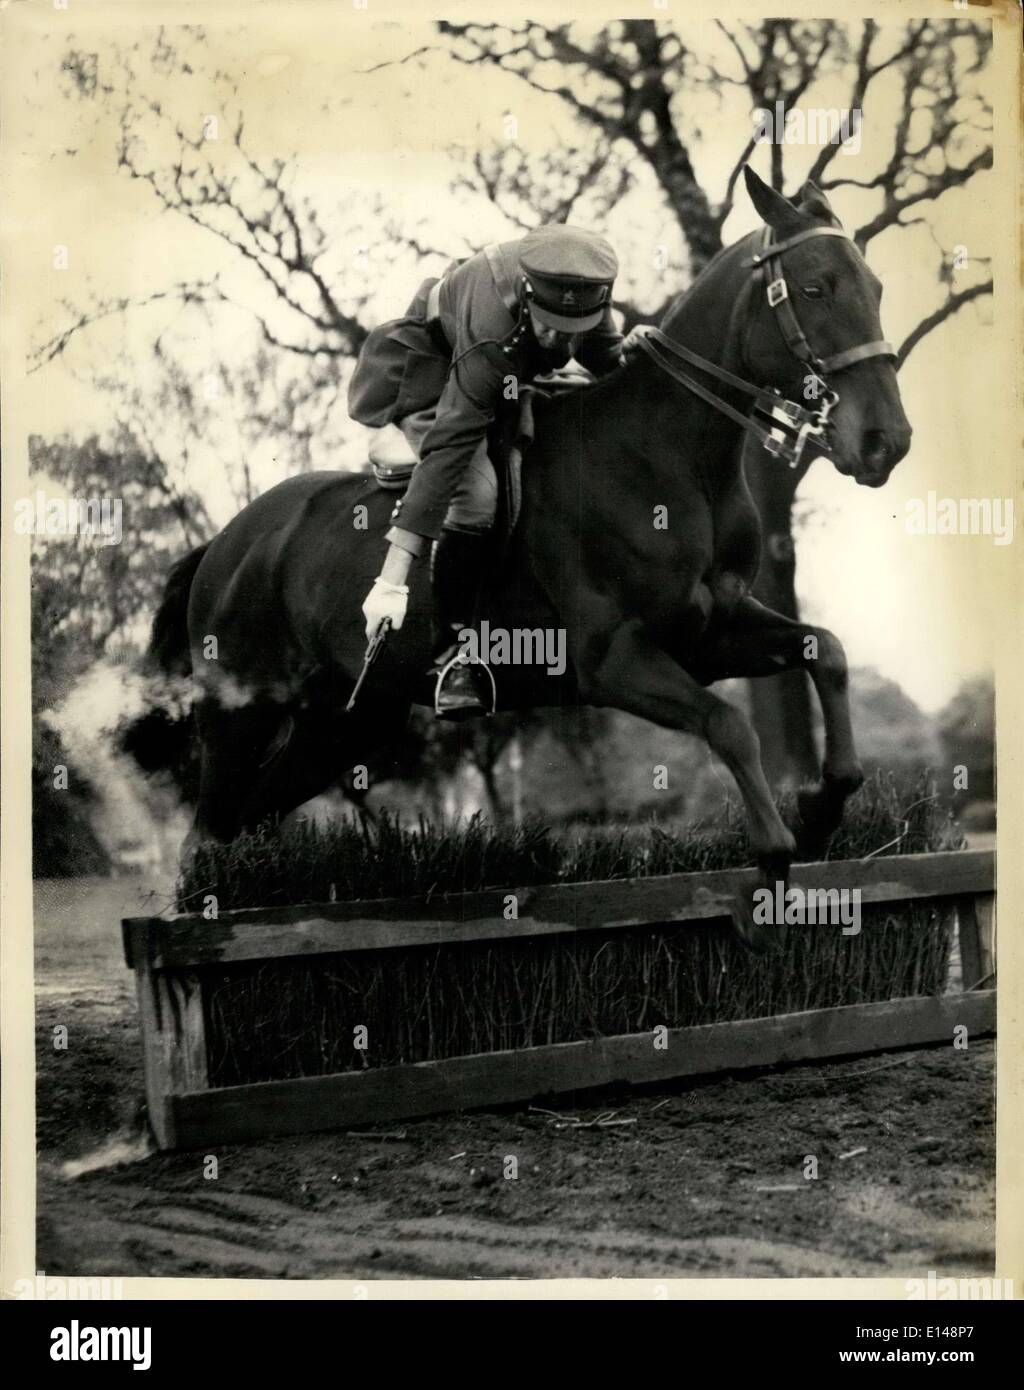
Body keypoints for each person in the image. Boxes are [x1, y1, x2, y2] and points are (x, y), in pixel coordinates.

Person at [349, 224, 626, 718]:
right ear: (526, 293)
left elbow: (607, 360)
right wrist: (391, 581)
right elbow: (449, 448)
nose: (554, 338)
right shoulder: (492, 327)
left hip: (505, 384)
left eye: (571, 331)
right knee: (477, 494)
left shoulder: (587, 297)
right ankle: (453, 652)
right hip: (435, 373)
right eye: (545, 324)